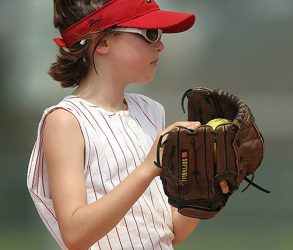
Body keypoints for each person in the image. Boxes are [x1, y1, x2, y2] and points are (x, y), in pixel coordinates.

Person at [26, 0, 227, 249]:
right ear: (103, 41)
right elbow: (75, 234)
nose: (161, 45)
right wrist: (149, 166)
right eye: (150, 34)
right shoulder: (66, 120)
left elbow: (168, 232)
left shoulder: (150, 111)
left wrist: (204, 190)